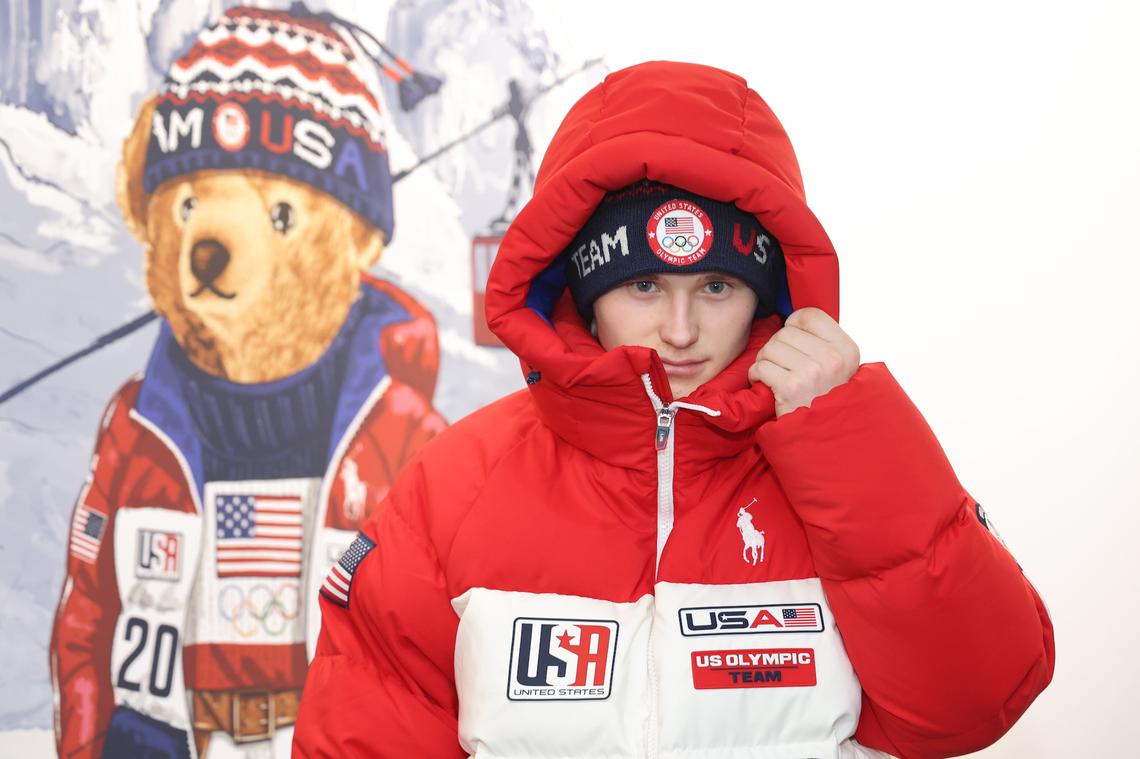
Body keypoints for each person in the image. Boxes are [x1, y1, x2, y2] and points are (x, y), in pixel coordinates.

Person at [293, 60, 1054, 759]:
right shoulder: (457, 483)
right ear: (586, 295)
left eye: (716, 288)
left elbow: (973, 700)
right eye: (645, 287)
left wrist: (848, 437)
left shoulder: (841, 461)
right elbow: (366, 736)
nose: (681, 332)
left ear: (766, 291)